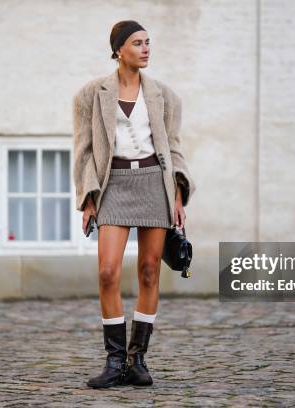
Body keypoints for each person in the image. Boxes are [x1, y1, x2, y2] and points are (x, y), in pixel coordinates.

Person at [72, 20, 196, 388]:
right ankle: (113, 362)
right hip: (114, 186)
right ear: (119, 50)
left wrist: (177, 192)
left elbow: (172, 147)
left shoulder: (165, 95)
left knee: (148, 271)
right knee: (108, 272)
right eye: (138, 43)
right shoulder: (90, 95)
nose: (146, 49)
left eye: (148, 42)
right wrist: (89, 198)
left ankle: (136, 360)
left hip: (154, 184)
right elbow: (84, 151)